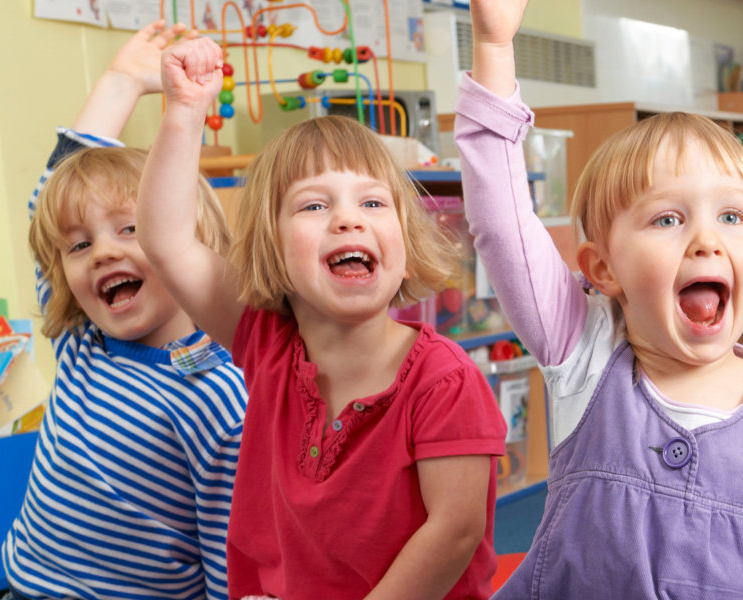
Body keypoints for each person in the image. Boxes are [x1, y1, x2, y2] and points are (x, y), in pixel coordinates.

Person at [453, 0, 743, 596]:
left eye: (733, 215)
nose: (707, 239)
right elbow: (501, 225)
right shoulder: (585, 354)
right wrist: (494, 49)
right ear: (603, 269)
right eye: (668, 219)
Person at [138, 36, 506, 600]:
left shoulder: (445, 380)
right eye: (314, 205)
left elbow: (455, 532)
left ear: (403, 236)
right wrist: (185, 113)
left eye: (373, 203)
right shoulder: (264, 342)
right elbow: (165, 239)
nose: (348, 221)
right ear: (272, 244)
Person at [1, 20, 249, 600]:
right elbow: (51, 200)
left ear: (185, 244)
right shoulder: (81, 338)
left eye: (131, 230)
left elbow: (229, 549)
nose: (103, 251)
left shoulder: (222, 392)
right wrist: (120, 84)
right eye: (81, 246)